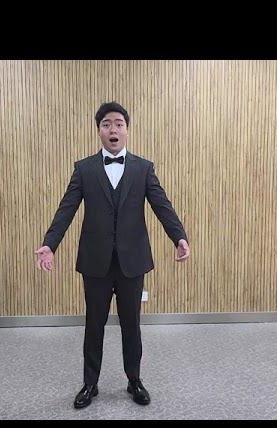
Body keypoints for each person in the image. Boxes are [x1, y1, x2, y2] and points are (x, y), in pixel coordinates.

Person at [35, 101, 189, 409]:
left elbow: (162, 205)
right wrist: (50, 244)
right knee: (94, 325)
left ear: (127, 130)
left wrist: (179, 237)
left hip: (132, 261)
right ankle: (90, 383)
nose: (113, 129)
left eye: (119, 123)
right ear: (99, 131)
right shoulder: (84, 169)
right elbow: (66, 209)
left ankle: (134, 380)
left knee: (132, 325)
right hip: (96, 261)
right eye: (106, 124)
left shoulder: (143, 168)